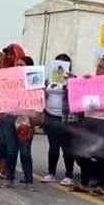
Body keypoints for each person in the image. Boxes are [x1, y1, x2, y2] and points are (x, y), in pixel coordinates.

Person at [72, 57, 104, 196]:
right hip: (90, 119)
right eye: (98, 66)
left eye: (101, 67)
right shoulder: (91, 82)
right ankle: (85, 182)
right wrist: (80, 82)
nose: (97, 69)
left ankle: (100, 184)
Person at [41, 53, 76, 186]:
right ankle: (51, 173)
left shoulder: (72, 79)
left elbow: (76, 95)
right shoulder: (49, 79)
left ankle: (69, 175)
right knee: (53, 146)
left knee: (67, 148)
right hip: (51, 116)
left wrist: (70, 82)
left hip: (66, 118)